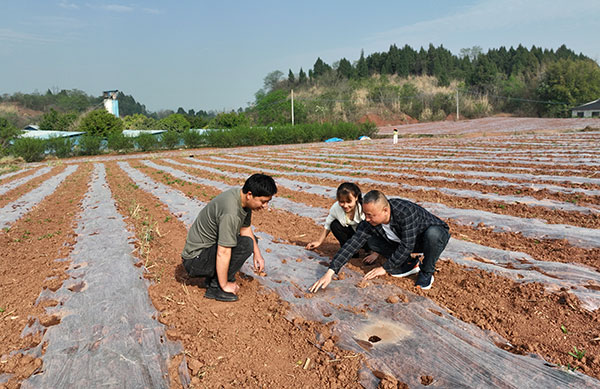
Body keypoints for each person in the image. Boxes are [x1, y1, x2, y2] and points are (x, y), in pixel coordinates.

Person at [310, 190, 450, 293]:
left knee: (434, 233)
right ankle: (409, 264)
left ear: (385, 210)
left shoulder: (405, 211)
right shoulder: (369, 222)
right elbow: (352, 244)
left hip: (426, 238)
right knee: (371, 241)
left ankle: (426, 272)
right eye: (365, 214)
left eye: (370, 215)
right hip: (402, 239)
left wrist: (384, 268)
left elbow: (407, 245)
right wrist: (330, 272)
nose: (367, 219)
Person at [181, 173, 277, 302]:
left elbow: (245, 229)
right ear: (250, 195)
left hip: (205, 252)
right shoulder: (231, 212)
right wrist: (225, 284)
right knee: (245, 244)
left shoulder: (240, 198)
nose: (265, 206)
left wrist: (257, 255)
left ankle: (215, 278)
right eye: (263, 201)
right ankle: (216, 288)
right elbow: (223, 251)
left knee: (251, 240)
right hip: (195, 260)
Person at [305, 183, 365, 254]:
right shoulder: (336, 208)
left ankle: (369, 250)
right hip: (353, 235)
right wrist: (319, 241)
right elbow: (328, 225)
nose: (345, 205)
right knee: (334, 225)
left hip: (366, 238)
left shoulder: (364, 208)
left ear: (356, 197)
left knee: (364, 225)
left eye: (349, 202)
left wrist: (375, 251)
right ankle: (350, 250)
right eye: (342, 202)